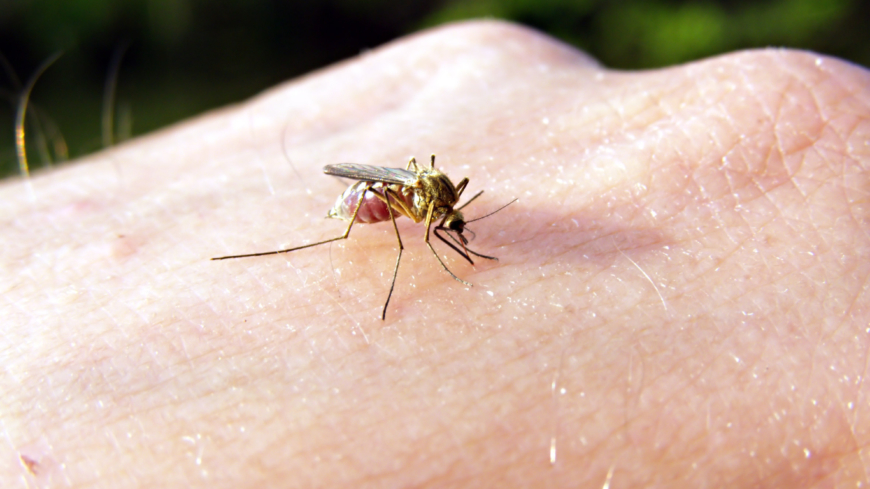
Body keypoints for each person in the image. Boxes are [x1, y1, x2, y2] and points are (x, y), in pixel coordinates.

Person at [3, 20, 868, 487]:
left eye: (452, 222)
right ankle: (327, 243)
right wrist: (400, 224)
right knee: (386, 228)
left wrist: (451, 226)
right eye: (451, 221)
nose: (455, 225)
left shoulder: (443, 202)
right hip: (366, 199)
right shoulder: (409, 201)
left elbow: (442, 205)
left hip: (403, 188)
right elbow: (404, 200)